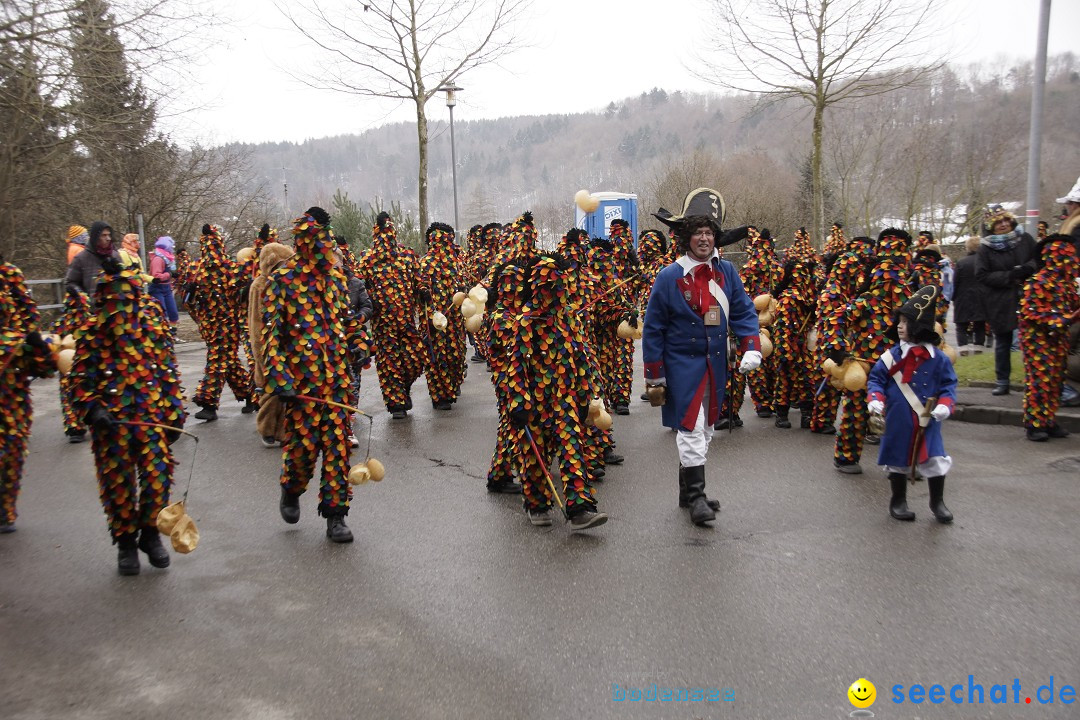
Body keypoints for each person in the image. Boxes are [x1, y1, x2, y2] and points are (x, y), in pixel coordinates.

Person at [642, 205, 761, 527]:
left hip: (716, 363)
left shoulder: (727, 272)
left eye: (709, 233)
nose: (704, 239)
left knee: (706, 427)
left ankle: (687, 492)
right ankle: (696, 496)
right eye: (698, 233)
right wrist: (655, 376)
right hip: (681, 364)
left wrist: (752, 345)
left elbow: (743, 310)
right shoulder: (669, 276)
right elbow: (653, 328)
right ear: (686, 239)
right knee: (691, 427)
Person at [69, 257, 186, 573]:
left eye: (128, 300)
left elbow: (167, 372)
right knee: (117, 485)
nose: (122, 310)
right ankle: (125, 542)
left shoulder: (152, 328)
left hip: (150, 419)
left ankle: (150, 535)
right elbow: (79, 380)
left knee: (156, 481)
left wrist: (174, 413)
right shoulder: (92, 333)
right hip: (113, 425)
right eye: (114, 302)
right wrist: (93, 409)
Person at [264, 207, 365, 543]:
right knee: (303, 453)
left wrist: (360, 342)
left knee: (337, 450)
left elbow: (348, 321)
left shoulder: (337, 280)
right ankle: (291, 489)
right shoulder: (283, 281)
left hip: (336, 384)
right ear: (309, 242)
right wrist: (281, 381)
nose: (330, 248)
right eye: (324, 241)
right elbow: (272, 338)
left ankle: (336, 516)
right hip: (302, 388)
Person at [866, 285, 958, 523]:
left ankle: (937, 502)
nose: (899, 326)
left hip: (928, 419)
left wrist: (945, 405)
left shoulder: (938, 359)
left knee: (935, 459)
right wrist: (875, 401)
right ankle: (898, 501)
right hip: (898, 418)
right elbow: (876, 380)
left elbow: (949, 385)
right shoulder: (890, 357)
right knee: (897, 460)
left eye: (905, 322)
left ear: (919, 327)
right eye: (900, 321)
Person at [0, 256, 56, 533]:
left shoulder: (16, 340)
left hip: (13, 406)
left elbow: (46, 369)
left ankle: (4, 508)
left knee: (12, 452)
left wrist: (39, 348)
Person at [354, 212, 428, 419]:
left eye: (390, 233)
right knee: (389, 365)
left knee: (416, 359)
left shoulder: (407, 256)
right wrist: (369, 301)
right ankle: (397, 404)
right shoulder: (368, 260)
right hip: (382, 324)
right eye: (382, 234)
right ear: (376, 235)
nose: (387, 239)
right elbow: (359, 287)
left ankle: (402, 390)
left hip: (406, 321)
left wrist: (422, 290)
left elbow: (418, 278)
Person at [187, 224, 253, 420]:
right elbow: (189, 300)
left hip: (227, 327)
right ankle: (250, 394)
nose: (210, 250)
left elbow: (245, 290)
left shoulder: (229, 269)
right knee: (228, 362)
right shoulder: (197, 270)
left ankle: (208, 403)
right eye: (207, 246)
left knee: (217, 360)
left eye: (213, 245)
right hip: (209, 327)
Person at [1018, 234, 1079, 441]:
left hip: (1059, 339)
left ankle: (1048, 420)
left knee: (1055, 381)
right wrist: (1061, 319)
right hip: (1038, 340)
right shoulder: (1038, 281)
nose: (1072, 261)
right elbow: (1030, 312)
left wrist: (1071, 314)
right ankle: (1034, 424)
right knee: (1039, 381)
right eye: (1066, 256)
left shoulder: (1068, 285)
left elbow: (1073, 306)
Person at [974, 208, 1037, 396]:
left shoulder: (1025, 239)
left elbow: (1039, 259)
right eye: (998, 223)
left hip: (1029, 296)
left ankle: (1034, 380)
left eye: (1006, 221)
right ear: (991, 227)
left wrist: (1027, 269)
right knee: (1003, 342)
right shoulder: (985, 248)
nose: (1003, 225)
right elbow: (982, 275)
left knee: (1033, 341)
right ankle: (1002, 380)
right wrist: (1009, 276)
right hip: (1000, 300)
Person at [247, 240, 295, 448]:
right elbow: (256, 322)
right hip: (267, 344)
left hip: (286, 342)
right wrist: (261, 351)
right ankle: (267, 428)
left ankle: (283, 429)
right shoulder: (259, 285)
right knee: (271, 390)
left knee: (286, 388)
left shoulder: (287, 283)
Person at [951, 237, 987, 354]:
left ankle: (963, 349)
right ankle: (979, 348)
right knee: (980, 324)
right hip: (981, 296)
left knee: (961, 325)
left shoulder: (961, 262)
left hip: (963, 296)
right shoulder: (985, 261)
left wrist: (953, 297)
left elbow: (955, 282)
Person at [66, 221, 121, 294]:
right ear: (95, 237)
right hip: (92, 303)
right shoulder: (81, 258)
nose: (108, 238)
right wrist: (81, 296)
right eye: (104, 235)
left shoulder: (115, 255)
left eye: (109, 235)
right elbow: (70, 282)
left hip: (114, 303)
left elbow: (125, 280)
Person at [148, 236, 179, 334]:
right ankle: (161, 334)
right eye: (171, 246)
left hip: (166, 288)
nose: (173, 248)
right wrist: (169, 274)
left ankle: (172, 333)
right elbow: (156, 276)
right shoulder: (158, 258)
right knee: (161, 313)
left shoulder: (166, 258)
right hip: (157, 289)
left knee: (173, 313)